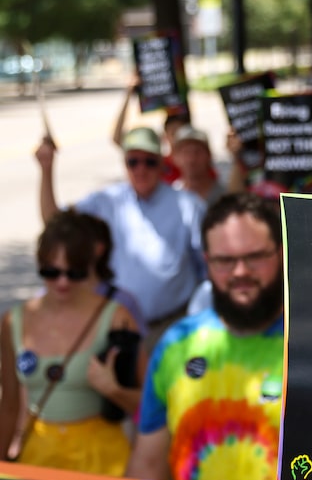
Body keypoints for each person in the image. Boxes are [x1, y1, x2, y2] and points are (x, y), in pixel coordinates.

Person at [126, 192, 284, 480]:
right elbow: (148, 464)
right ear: (207, 262)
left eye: (255, 257)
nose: (241, 272)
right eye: (225, 261)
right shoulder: (176, 346)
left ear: (281, 253)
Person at [35, 127, 206, 355]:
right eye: (133, 161)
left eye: (149, 162)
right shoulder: (107, 201)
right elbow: (55, 222)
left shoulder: (188, 206)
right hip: (119, 328)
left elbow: (207, 269)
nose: (141, 169)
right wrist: (46, 168)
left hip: (172, 327)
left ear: (162, 162)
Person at [0, 210, 142, 475]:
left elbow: (150, 408)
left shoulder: (116, 317)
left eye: (74, 272)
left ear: (90, 265)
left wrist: (114, 390)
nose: (63, 282)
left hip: (101, 459)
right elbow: (8, 404)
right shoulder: (13, 322)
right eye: (51, 272)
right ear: (39, 264)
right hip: (40, 455)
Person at [111, 74, 190, 184]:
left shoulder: (194, 164)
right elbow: (117, 138)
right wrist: (128, 94)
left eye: (181, 133)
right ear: (165, 136)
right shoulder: (154, 162)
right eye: (173, 133)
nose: (177, 138)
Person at [171, 124, 225, 205]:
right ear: (175, 157)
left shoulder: (225, 194)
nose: (191, 159)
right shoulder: (171, 196)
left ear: (209, 155)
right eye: (186, 152)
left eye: (198, 152)